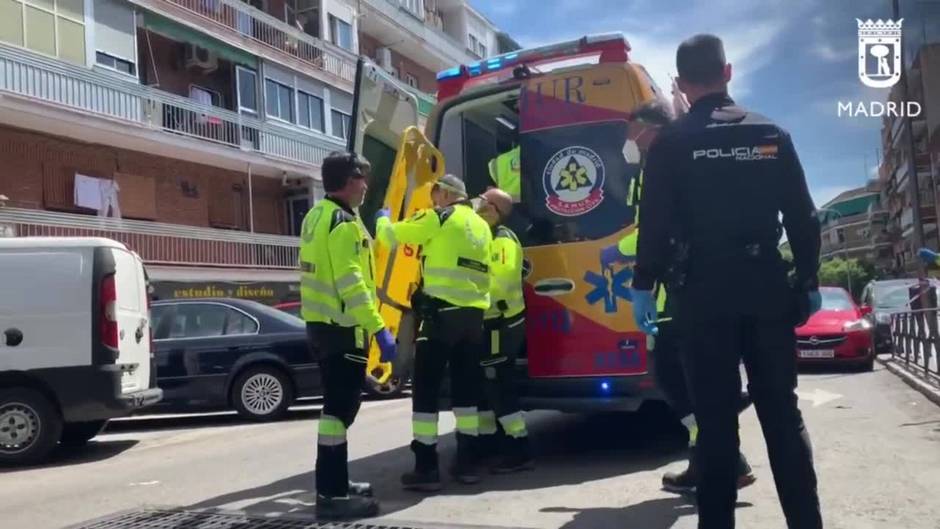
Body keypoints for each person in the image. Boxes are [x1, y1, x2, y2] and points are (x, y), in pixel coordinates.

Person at [631, 34, 823, 529]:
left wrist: (643, 285)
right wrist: (806, 278)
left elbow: (653, 225)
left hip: (702, 295)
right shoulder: (770, 135)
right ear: (729, 72)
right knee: (782, 415)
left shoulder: (671, 144)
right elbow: (803, 217)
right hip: (765, 287)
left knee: (716, 428)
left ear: (680, 84)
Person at [600, 170, 756, 493]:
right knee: (689, 389)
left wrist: (613, 249)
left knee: (678, 385)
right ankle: (707, 466)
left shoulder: (666, 187)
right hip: (689, 306)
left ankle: (721, 470)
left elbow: (646, 237)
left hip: (676, 309)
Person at [374, 174, 493, 491]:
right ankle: (468, 462)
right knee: (467, 394)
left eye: (434, 193)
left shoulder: (439, 217)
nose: (432, 198)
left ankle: (426, 468)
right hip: (473, 318)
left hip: (441, 317)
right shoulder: (482, 226)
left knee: (425, 390)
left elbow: (391, 238)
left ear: (445, 194)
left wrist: (383, 220)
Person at [299, 151, 398, 520]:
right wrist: (379, 331)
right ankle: (332, 494)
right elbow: (352, 283)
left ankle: (335, 484)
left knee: (335, 410)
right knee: (340, 411)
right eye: (361, 179)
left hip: (322, 326)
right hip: (343, 329)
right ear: (346, 180)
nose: (365, 186)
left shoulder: (316, 215)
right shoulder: (342, 223)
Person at [475, 187, 533, 473]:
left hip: (500, 322)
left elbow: (499, 282)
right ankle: (489, 446)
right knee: (485, 389)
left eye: (483, 202)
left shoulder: (502, 240)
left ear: (495, 209)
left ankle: (517, 449)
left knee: (499, 386)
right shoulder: (487, 237)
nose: (478, 205)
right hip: (489, 323)